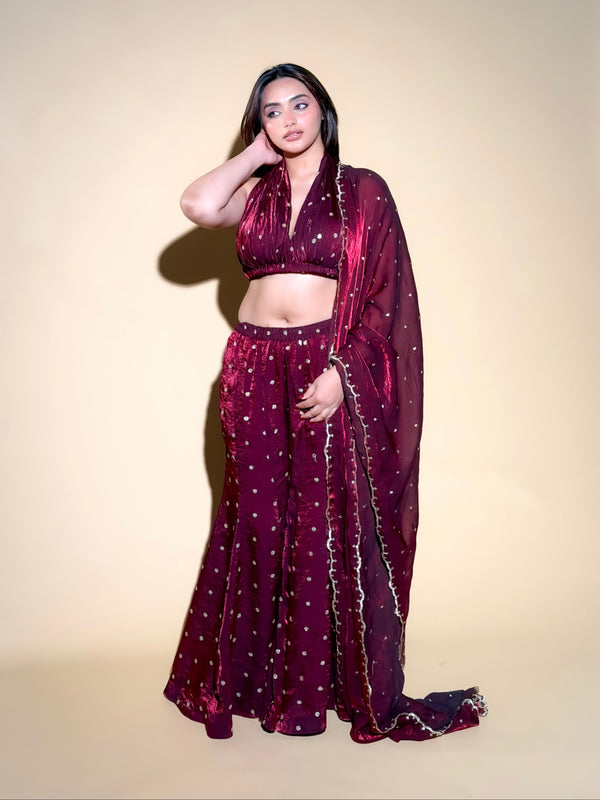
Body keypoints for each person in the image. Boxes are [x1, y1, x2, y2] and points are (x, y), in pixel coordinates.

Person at [163, 63, 487, 743]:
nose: (288, 120)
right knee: (256, 520)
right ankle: (251, 682)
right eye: (272, 111)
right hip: (252, 365)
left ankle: (314, 692)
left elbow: (385, 293)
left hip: (326, 362)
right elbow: (195, 205)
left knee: (321, 520)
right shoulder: (254, 192)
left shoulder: (361, 192)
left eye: (299, 104)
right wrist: (255, 149)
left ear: (324, 110)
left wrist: (344, 371)